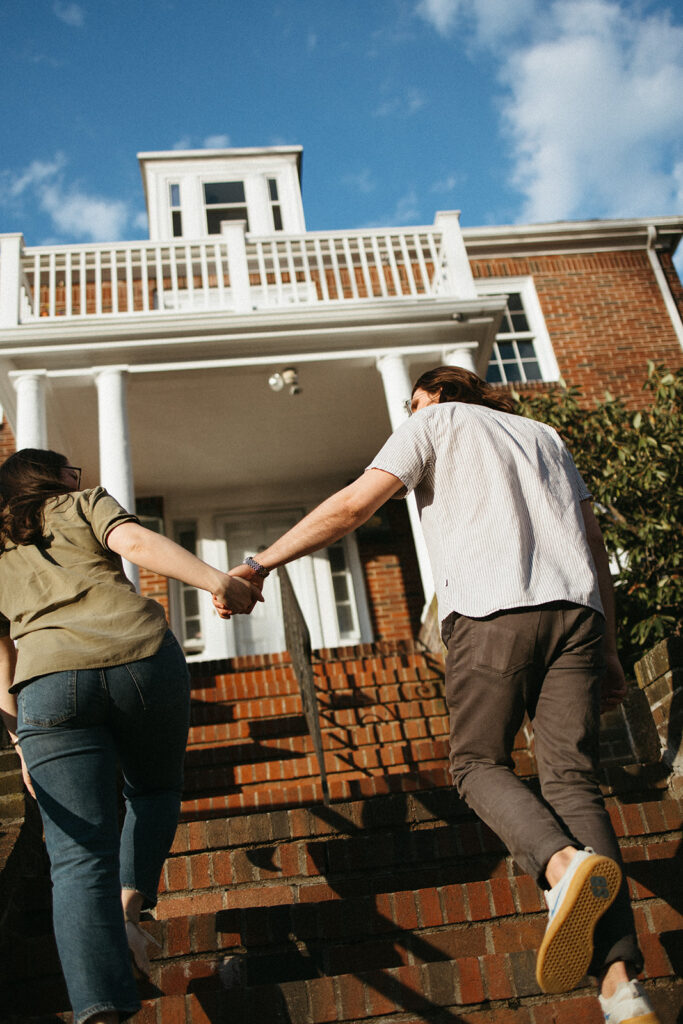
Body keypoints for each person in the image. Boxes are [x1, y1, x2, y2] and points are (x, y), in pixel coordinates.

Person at [218, 366, 658, 1024]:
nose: (408, 410)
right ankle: (619, 989)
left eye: (412, 400)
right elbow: (591, 542)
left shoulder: (436, 422)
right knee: (571, 781)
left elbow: (352, 507)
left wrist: (258, 564)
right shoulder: (542, 434)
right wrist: (610, 645)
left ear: (437, 395)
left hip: (492, 612)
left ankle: (562, 867)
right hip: (576, 614)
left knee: (476, 763)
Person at [0, 448, 261, 1024]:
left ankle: (101, 1009)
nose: (80, 475)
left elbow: (0, 654)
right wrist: (221, 582)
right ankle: (129, 904)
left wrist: (21, 738)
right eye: (71, 467)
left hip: (44, 685)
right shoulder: (82, 504)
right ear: (48, 476)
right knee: (152, 791)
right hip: (139, 659)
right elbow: (136, 545)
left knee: (74, 859)